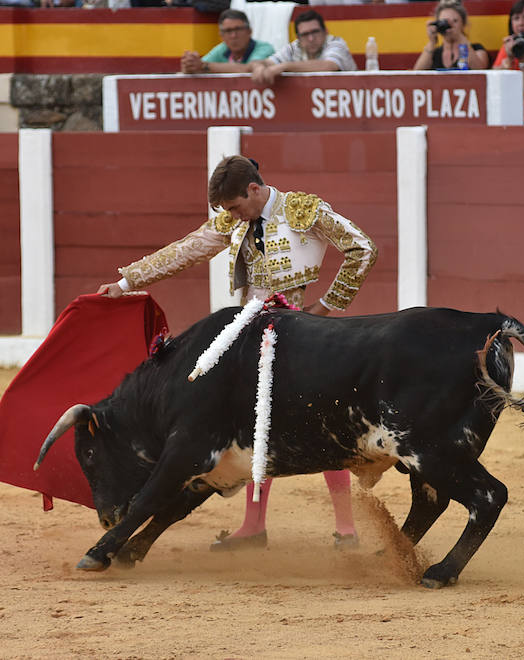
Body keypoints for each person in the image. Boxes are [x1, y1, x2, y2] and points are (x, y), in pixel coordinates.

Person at [97, 155, 377, 551]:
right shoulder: (235, 218)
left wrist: (327, 306)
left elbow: (362, 248)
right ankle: (253, 526)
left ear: (254, 190)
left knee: (322, 420)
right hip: (250, 336)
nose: (231, 216)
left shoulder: (303, 210)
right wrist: (125, 283)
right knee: (254, 424)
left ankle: (346, 528)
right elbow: (187, 250)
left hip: (304, 335)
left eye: (234, 206)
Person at [250, 10, 356, 86]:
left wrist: (285, 66)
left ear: (326, 32)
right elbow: (267, 62)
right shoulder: (295, 46)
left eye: (315, 32)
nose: (311, 38)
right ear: (298, 38)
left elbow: (329, 65)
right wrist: (259, 67)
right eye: (305, 34)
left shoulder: (336, 42)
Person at [181, 9, 275, 74]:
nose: (233, 35)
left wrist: (203, 66)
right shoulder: (222, 49)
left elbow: (251, 69)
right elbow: (200, 65)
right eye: (228, 31)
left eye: (238, 29)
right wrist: (189, 66)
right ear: (221, 36)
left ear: (249, 31)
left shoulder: (265, 48)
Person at [413, 0, 489, 71]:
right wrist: (432, 42)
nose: (449, 25)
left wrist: (460, 37)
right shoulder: (434, 53)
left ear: (463, 23)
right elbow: (417, 74)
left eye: (455, 21)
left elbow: (480, 71)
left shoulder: (476, 49)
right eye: (444, 21)